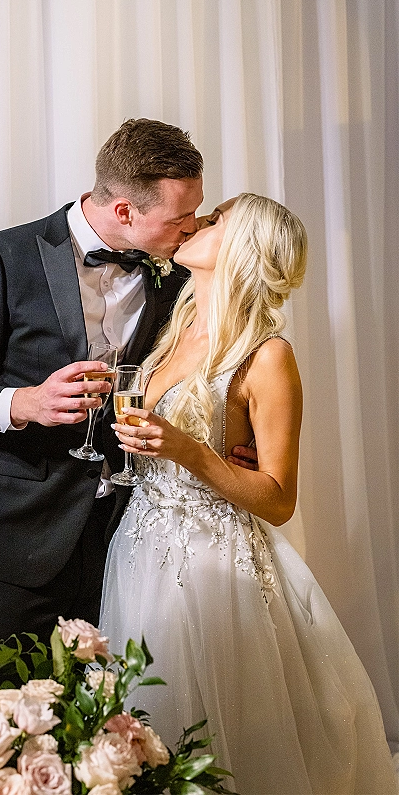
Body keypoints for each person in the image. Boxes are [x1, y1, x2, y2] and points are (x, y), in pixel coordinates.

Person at [100, 193, 397, 794]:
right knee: (141, 715)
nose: (195, 224)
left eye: (213, 221)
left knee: (216, 731)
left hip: (213, 562)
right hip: (142, 543)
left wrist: (188, 450)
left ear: (240, 249)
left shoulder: (267, 356)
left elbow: (278, 497)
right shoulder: (177, 326)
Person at [0, 118, 259, 648]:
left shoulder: (178, 273)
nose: (193, 227)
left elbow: (214, 365)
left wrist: (234, 444)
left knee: (122, 717)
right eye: (182, 215)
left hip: (138, 541)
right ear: (125, 211)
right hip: (25, 537)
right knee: (12, 710)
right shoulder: (4, 258)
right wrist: (25, 402)